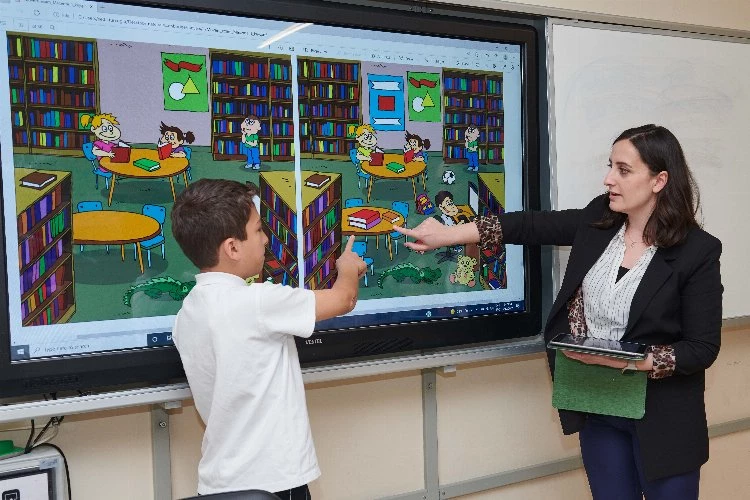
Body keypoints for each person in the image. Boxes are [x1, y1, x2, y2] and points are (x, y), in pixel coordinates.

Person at [393, 125, 722, 500]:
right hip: (597, 404)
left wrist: (629, 361)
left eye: (623, 170)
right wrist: (450, 234)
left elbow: (702, 348)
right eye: (610, 166)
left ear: (659, 180)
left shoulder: (698, 251)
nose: (609, 179)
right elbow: (530, 225)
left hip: (664, 420)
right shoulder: (600, 219)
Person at [171, 179, 367, 498]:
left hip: (220, 482)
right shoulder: (259, 302)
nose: (265, 239)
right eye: (258, 230)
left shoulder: (187, 312)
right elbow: (344, 300)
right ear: (232, 248)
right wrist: (347, 268)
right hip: (276, 480)